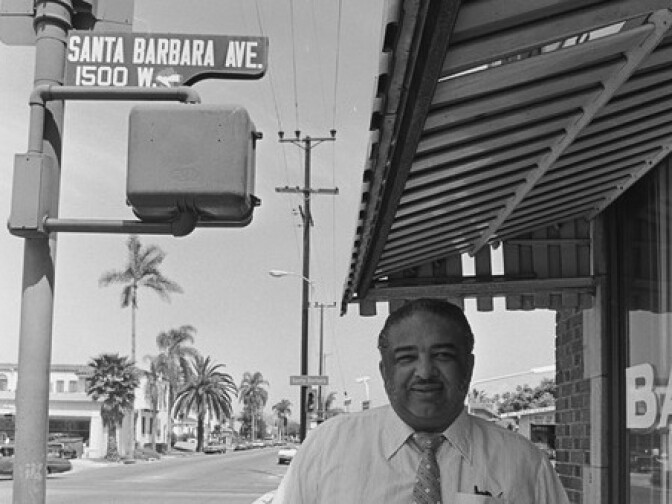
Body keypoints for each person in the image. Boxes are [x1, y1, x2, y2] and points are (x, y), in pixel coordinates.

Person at [273, 298, 570, 503]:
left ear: (468, 367)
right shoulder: (329, 446)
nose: (425, 372)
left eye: (443, 355)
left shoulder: (524, 463)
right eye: (406, 358)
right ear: (384, 371)